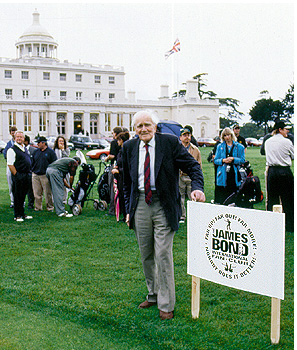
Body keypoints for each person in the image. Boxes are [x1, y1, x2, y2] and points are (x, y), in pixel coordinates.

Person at [122, 110, 205, 320]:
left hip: (164, 204)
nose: (143, 129)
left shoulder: (169, 143)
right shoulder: (129, 147)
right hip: (140, 203)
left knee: (163, 254)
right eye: (139, 126)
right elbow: (126, 182)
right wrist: (128, 210)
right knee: (146, 253)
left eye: (147, 125)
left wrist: (197, 187)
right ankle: (153, 294)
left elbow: (193, 166)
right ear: (134, 129)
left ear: (155, 126)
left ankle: (166, 304)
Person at [264, 121, 294, 232]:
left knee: (272, 199)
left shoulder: (268, 142)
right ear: (280, 129)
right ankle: (290, 225)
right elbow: (293, 155)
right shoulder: (287, 142)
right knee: (288, 199)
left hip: (272, 171)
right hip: (284, 171)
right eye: (286, 129)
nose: (288, 131)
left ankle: (273, 224)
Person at [213, 127, 245, 204]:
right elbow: (215, 160)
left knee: (233, 194)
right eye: (225, 135)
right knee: (223, 195)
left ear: (232, 135)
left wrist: (233, 159)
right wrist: (223, 160)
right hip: (223, 174)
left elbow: (242, 160)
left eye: (228, 135)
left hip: (234, 173)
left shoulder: (239, 147)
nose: (227, 137)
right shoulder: (220, 146)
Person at [7, 130, 32, 222]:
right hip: (19, 175)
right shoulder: (12, 150)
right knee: (17, 195)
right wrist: (17, 175)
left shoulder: (24, 148)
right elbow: (10, 164)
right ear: (14, 138)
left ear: (23, 138)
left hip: (26, 175)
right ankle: (17, 215)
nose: (19, 138)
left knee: (23, 196)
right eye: (17, 137)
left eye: (21, 137)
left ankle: (22, 213)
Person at [178, 127, 202, 223]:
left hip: (191, 177)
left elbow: (199, 164)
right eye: (184, 135)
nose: (187, 137)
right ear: (180, 137)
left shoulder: (195, 150)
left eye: (188, 135)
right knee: (180, 197)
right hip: (180, 176)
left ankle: (194, 216)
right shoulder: (177, 149)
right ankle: (182, 216)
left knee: (193, 196)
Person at [31, 136, 57, 211]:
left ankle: (50, 207)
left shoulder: (51, 152)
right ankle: (38, 207)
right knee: (36, 193)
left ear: (44, 143)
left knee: (48, 193)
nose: (37, 144)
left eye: (39, 143)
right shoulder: (36, 152)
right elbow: (32, 162)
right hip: (35, 175)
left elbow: (54, 164)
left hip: (45, 175)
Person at [111, 131, 130, 221]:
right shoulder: (120, 151)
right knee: (121, 195)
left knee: (124, 194)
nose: (117, 142)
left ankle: (127, 214)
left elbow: (128, 167)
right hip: (120, 177)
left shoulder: (126, 152)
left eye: (118, 140)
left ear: (121, 140)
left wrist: (118, 171)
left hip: (124, 176)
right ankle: (123, 213)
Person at [105, 126, 123, 215]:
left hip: (114, 166)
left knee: (112, 187)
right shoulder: (125, 143)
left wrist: (107, 158)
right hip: (121, 167)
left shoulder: (114, 142)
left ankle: (112, 209)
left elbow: (112, 155)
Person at [3, 126, 18, 208]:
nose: (13, 134)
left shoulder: (19, 142)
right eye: (12, 133)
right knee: (11, 184)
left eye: (14, 132)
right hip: (10, 165)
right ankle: (13, 201)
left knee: (19, 184)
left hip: (18, 166)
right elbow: (5, 154)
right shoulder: (9, 144)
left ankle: (20, 201)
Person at [53, 135, 71, 203]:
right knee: (56, 185)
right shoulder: (55, 150)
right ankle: (56, 199)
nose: (61, 142)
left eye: (62, 141)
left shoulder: (67, 149)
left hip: (64, 170)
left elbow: (66, 158)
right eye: (60, 141)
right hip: (56, 169)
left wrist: (63, 150)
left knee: (64, 185)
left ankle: (64, 199)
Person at [24, 135, 36, 209]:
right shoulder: (20, 149)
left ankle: (31, 204)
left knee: (30, 189)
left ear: (26, 142)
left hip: (31, 172)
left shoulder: (33, 150)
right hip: (22, 172)